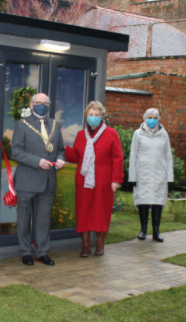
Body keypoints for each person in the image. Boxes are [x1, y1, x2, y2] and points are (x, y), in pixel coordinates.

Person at [11, 93, 65, 266]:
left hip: (48, 180)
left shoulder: (56, 125)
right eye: (38, 102)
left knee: (43, 219)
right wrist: (37, 162)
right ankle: (26, 251)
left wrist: (61, 159)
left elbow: (61, 149)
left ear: (49, 105)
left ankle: (42, 252)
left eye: (45, 103)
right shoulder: (22, 124)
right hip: (27, 180)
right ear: (32, 105)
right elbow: (16, 151)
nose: (42, 105)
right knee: (24, 218)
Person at [64, 101, 124, 257]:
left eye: (97, 115)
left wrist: (116, 180)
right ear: (86, 117)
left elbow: (117, 158)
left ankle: (99, 243)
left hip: (104, 181)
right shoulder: (80, 135)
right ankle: (85, 245)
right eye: (91, 115)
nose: (93, 117)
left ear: (102, 117)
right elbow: (77, 156)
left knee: (101, 211)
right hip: (84, 180)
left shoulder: (111, 134)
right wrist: (64, 149)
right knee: (83, 211)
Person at [128, 108, 173, 243]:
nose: (152, 120)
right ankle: (143, 230)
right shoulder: (138, 134)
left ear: (159, 119)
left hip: (159, 174)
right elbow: (133, 156)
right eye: (150, 117)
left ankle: (156, 231)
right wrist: (132, 177)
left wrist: (169, 177)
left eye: (155, 117)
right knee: (143, 201)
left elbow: (168, 156)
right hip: (143, 174)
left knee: (157, 202)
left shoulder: (164, 134)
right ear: (144, 118)